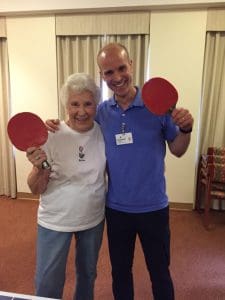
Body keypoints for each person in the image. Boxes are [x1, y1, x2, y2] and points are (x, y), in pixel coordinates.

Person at [46, 43, 194, 300]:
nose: (116, 77)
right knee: (120, 273)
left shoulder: (157, 108)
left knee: (159, 271)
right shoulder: (102, 112)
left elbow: (179, 150)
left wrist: (186, 129)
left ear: (132, 65)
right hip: (116, 210)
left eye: (121, 68)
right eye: (108, 72)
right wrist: (54, 124)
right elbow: (77, 124)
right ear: (102, 75)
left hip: (154, 208)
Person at [26, 73, 106, 300]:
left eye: (88, 104)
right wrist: (40, 168)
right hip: (55, 220)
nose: (81, 111)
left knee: (88, 275)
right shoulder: (50, 135)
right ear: (66, 105)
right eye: (75, 104)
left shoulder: (102, 132)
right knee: (48, 280)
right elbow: (35, 188)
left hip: (93, 218)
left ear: (96, 105)